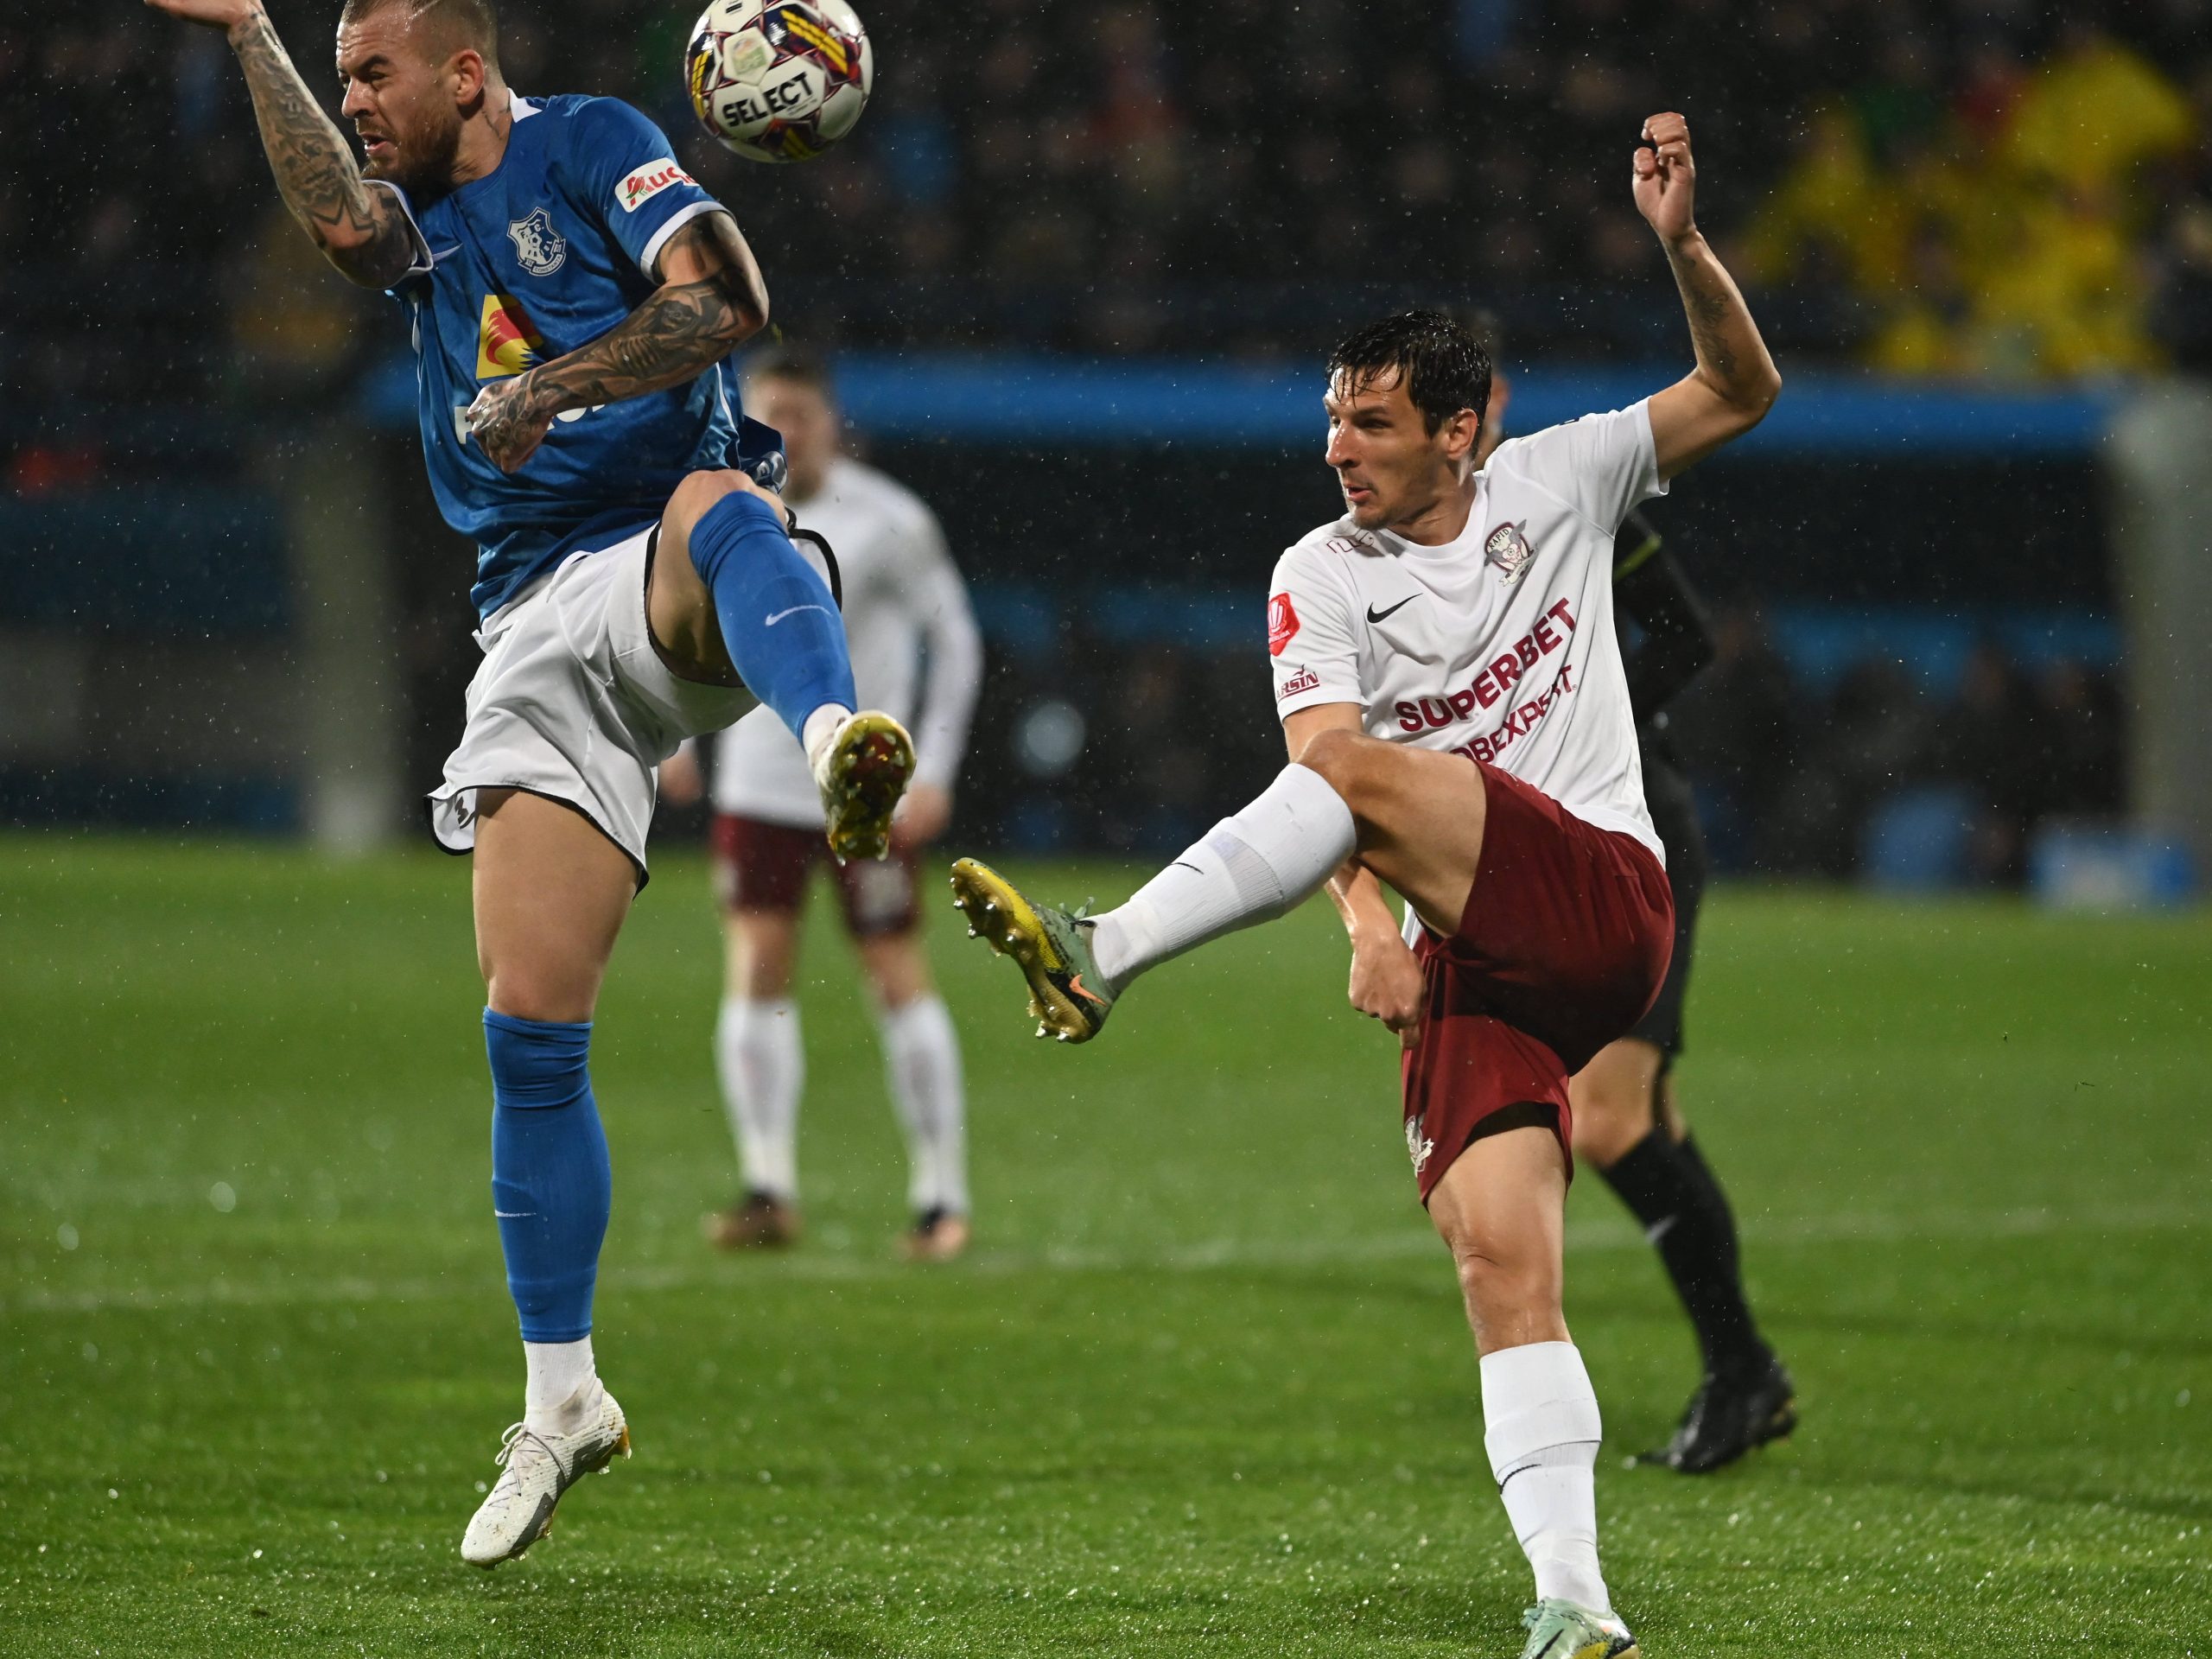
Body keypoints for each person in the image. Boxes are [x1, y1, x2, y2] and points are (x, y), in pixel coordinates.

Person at [952, 114, 1780, 1658]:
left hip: (1601, 896)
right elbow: (1325, 772)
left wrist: (1680, 247)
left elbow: (1741, 389)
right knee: (1500, 1264)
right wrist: (1363, 929)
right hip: (1468, 954)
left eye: (1375, 424)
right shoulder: (1317, 572)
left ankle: (1106, 950)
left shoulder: (1564, 478)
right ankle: (1576, 1605)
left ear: (1462, 430)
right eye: (1334, 420)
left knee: (1367, 786)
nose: (1340, 448)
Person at [146, 0, 916, 1568]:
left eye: (374, 74)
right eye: (344, 77)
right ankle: (562, 1401)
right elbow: (341, 225)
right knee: (530, 1030)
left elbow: (727, 300)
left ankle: (835, 736)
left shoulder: (589, 145)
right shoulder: (415, 218)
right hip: (528, 630)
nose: (358, 102)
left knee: (720, 497)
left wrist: (554, 388)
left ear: (466, 72)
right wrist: (247, 34)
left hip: (665, 563)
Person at [1473, 347, 1796, 1473]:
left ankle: (1744, 1368)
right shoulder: (1416, 550)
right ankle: (1743, 1372)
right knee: (1646, 1116)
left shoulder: (1559, 507)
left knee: (1604, 1119)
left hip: (1634, 823)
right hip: (1547, 846)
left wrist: (1582, 724)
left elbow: (1686, 637)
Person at [661, 347, 982, 1262]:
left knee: (893, 971)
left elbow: (955, 642)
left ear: (831, 423)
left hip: (864, 786)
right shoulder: (721, 508)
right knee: (757, 970)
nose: (787, 431)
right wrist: (675, 738)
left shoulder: (890, 520)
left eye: (801, 414)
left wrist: (934, 770)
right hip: (758, 783)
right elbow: (680, 627)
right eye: (771, 412)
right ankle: (768, 1186)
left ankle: (941, 1197)